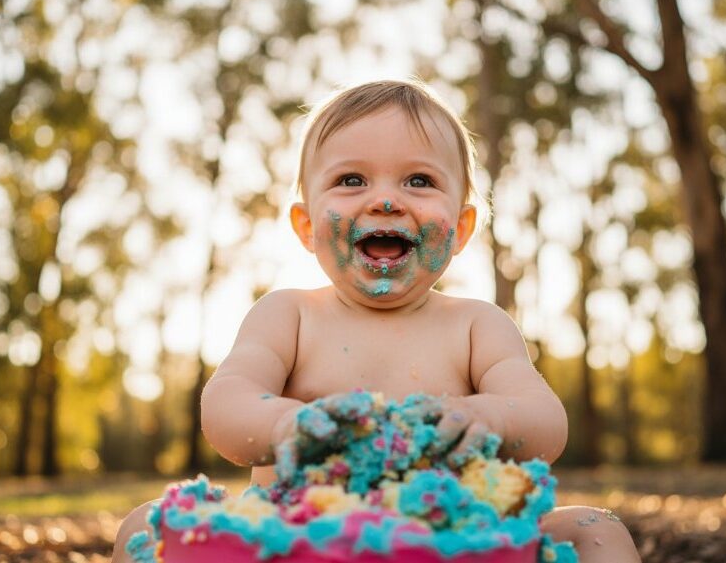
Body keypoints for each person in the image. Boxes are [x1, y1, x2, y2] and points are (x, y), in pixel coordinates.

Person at [112, 79, 641, 563]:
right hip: (293, 538)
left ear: (460, 229)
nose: (385, 200)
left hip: (450, 540)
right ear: (307, 226)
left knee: (598, 530)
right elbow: (226, 404)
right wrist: (283, 425)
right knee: (145, 525)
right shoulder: (289, 315)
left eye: (418, 179)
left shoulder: (477, 326)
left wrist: (492, 418)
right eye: (350, 179)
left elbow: (546, 423)